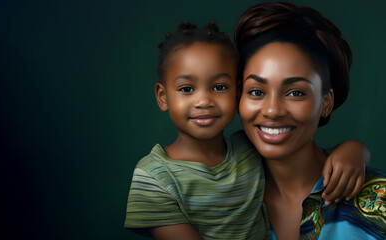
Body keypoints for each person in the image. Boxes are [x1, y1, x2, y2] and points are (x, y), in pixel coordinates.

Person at [125, 21, 369, 240]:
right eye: (257, 92)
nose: (204, 101)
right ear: (162, 96)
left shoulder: (244, 153)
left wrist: (355, 150)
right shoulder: (154, 178)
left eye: (296, 92)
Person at [235, 2, 386, 240]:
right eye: (256, 91)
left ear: (326, 102)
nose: (272, 110)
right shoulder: (217, 198)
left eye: (295, 92)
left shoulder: (380, 200)